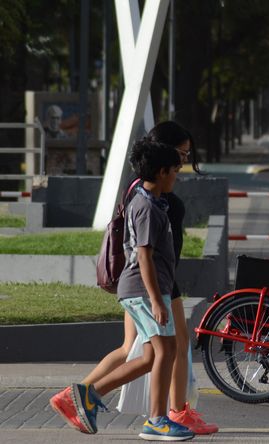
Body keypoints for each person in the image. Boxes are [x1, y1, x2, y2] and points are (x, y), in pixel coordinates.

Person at [50, 121, 217, 435]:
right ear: (162, 166)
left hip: (146, 284)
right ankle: (163, 417)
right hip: (148, 285)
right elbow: (144, 255)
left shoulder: (142, 193)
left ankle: (87, 395)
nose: (181, 167)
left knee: (146, 352)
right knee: (168, 350)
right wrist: (157, 299)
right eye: (178, 161)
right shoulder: (150, 206)